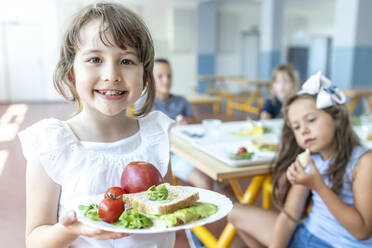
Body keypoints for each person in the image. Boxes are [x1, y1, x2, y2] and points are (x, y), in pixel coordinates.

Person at [18, 2, 175, 247]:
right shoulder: (51, 146)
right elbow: (34, 240)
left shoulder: (156, 137)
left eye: (126, 61)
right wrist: (67, 230)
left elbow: (167, 214)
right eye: (94, 59)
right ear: (72, 74)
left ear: (145, 77)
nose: (111, 74)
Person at [228, 72, 372, 247]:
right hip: (306, 236)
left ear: (337, 118)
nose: (303, 130)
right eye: (296, 126)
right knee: (235, 212)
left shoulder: (364, 162)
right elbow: (289, 216)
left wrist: (318, 186)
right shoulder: (309, 159)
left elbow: (362, 231)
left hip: (338, 244)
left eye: (311, 120)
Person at [152, 58, 214, 190]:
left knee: (217, 175)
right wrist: (172, 126)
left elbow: (195, 121)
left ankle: (233, 204)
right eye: (160, 76)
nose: (166, 80)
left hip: (191, 150)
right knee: (205, 181)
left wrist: (187, 121)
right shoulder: (146, 104)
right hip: (169, 156)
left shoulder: (181, 101)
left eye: (169, 76)